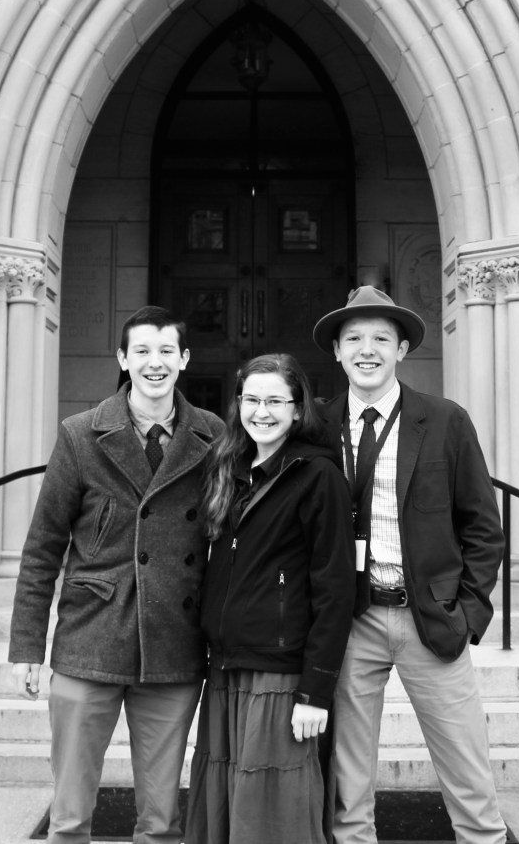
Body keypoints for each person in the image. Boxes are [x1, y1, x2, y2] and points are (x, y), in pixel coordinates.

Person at [8, 305, 225, 844]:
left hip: (175, 644)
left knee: (161, 822)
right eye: (143, 351)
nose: (156, 363)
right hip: (90, 641)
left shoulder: (214, 435)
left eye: (167, 351)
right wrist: (26, 647)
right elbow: (43, 547)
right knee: (70, 817)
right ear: (123, 359)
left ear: (184, 360)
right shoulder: (81, 434)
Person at [311, 286, 507, 844]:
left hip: (432, 617)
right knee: (348, 790)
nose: (366, 349)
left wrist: (468, 612)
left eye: (380, 338)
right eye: (354, 339)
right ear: (337, 351)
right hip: (351, 621)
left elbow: (482, 528)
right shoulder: (317, 425)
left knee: (469, 777)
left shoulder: (445, 420)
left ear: (401, 349)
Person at [185, 353, 356, 844]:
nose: (262, 411)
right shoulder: (228, 465)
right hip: (225, 667)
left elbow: (336, 587)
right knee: (226, 805)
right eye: (252, 399)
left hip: (280, 672)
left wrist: (315, 692)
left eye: (276, 401)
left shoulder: (317, 475)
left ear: (299, 409)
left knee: (272, 814)